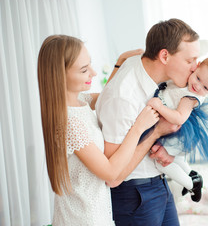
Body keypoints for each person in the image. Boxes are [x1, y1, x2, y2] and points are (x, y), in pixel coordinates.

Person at [37, 35, 175, 225]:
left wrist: (119, 64)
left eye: (90, 65)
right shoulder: (69, 123)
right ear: (60, 75)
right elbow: (110, 173)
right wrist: (138, 128)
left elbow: (109, 96)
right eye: (84, 70)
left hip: (95, 211)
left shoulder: (80, 102)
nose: (93, 73)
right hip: (84, 218)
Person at [95, 18, 200, 226]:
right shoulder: (124, 98)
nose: (195, 68)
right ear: (164, 56)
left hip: (158, 184)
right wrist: (156, 132)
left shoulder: (145, 67)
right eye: (190, 61)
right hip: (133, 195)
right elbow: (113, 177)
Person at [147, 55, 208, 202]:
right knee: (176, 158)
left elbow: (179, 117)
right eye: (198, 78)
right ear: (196, 66)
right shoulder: (186, 80)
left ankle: (191, 184)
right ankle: (193, 174)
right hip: (176, 131)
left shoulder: (190, 97)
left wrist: (159, 107)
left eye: (205, 87)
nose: (198, 86)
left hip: (176, 131)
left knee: (162, 163)